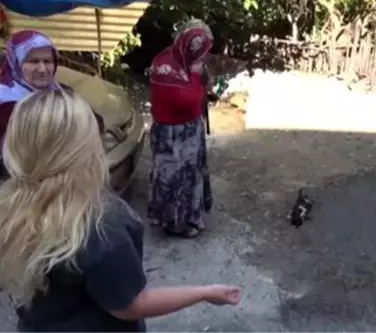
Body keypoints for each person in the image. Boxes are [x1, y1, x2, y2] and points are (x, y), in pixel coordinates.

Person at [0, 90, 242, 333]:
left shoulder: (10, 205)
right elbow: (129, 306)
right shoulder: (99, 226)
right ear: (83, 149)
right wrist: (205, 293)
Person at [0, 30, 104, 177]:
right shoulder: (5, 104)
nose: (42, 69)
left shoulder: (61, 90)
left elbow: (95, 123)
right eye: (33, 61)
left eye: (48, 61)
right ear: (15, 62)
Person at [148, 19, 214, 238]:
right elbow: (191, 101)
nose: (203, 60)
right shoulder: (165, 69)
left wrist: (197, 74)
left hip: (190, 128)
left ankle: (192, 217)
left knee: (191, 175)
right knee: (174, 178)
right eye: (200, 55)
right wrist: (195, 75)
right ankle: (175, 223)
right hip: (171, 133)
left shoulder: (182, 59)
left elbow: (202, 92)